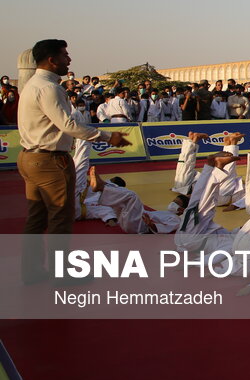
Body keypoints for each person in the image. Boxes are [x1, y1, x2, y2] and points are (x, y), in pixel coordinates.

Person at [17, 39, 130, 283]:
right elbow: (67, 125)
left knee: (36, 218)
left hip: (30, 156)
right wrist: (108, 137)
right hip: (50, 161)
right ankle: (63, 272)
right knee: (60, 217)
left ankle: (32, 271)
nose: (69, 60)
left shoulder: (31, 85)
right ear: (51, 59)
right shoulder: (49, 88)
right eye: (65, 55)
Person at [89, 168, 181, 234]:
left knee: (132, 196)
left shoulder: (177, 220)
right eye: (174, 200)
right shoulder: (165, 213)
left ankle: (103, 186)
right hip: (133, 220)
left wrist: (151, 225)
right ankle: (104, 185)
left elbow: (165, 228)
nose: (172, 203)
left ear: (182, 210)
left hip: (140, 226)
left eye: (176, 203)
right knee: (120, 201)